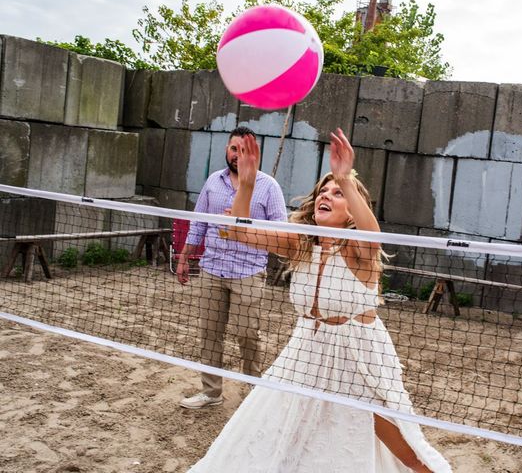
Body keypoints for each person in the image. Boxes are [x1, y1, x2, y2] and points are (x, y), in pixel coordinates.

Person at [187, 128, 451, 472]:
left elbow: (372, 237)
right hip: (307, 348)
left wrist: (345, 176)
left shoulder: (359, 250)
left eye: (338, 193)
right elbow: (238, 230)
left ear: (353, 208)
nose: (328, 195)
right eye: (323, 191)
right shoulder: (301, 244)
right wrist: (247, 185)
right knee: (278, 415)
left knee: (384, 425)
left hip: (357, 348)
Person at [176, 126, 287, 409]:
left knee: (246, 333)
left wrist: (244, 220)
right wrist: (184, 257)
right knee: (210, 333)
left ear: (254, 154)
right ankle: (211, 393)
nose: (237, 155)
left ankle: (255, 393)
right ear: (227, 150)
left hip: (248, 272)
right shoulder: (214, 181)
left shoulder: (268, 186)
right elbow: (199, 222)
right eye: (233, 148)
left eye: (244, 150)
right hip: (212, 269)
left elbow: (281, 233)